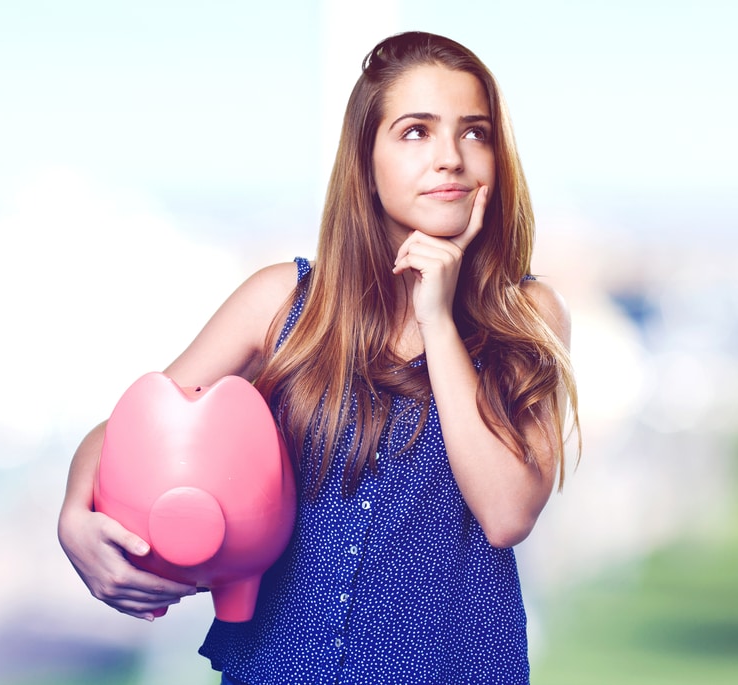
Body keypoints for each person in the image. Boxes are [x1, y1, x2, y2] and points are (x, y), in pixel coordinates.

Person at [58, 30, 580, 685]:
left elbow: (507, 514)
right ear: (366, 160)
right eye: (415, 131)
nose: (449, 156)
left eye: (473, 132)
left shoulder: (527, 314)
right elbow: (135, 428)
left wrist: (438, 322)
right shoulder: (280, 301)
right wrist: (73, 514)